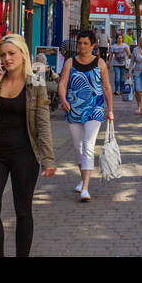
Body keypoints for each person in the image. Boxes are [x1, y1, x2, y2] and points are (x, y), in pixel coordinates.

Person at [0, 34, 56, 256]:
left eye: (11, 53)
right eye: (3, 54)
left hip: (25, 155)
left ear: (23, 55)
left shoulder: (36, 82)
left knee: (23, 211)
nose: (7, 58)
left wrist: (48, 159)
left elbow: (42, 121)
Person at [57, 30, 111, 202]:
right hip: (73, 109)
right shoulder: (70, 63)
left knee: (88, 145)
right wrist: (63, 99)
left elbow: (107, 87)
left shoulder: (100, 63)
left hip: (95, 109)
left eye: (85, 43)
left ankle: (85, 188)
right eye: (80, 43)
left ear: (93, 45)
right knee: (77, 147)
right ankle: (83, 178)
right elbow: (63, 83)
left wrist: (110, 110)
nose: (82, 46)